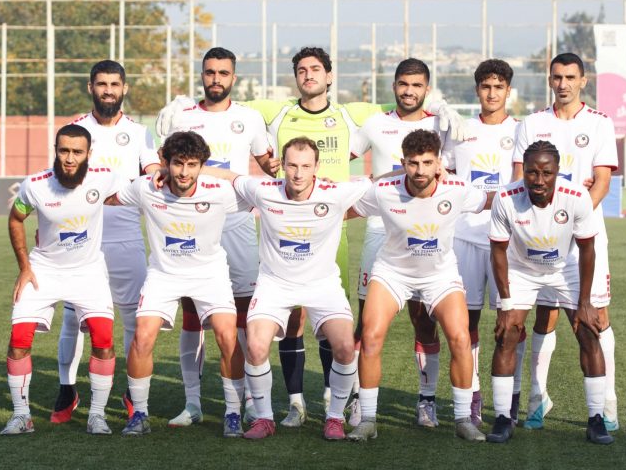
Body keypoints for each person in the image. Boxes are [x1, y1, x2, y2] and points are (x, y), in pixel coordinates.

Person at [156, 46, 468, 427]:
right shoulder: (274, 111)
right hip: (281, 224)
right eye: (302, 70)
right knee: (288, 320)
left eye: (316, 69)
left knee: (344, 324)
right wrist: (185, 103)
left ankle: (338, 401)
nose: (309, 75)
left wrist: (438, 105)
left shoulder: (354, 114)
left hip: (336, 228)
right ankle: (294, 401)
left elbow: (404, 104)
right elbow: (227, 106)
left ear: (329, 76)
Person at [201, 136, 371, 440]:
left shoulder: (336, 193)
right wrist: (177, 169)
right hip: (274, 284)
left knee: (346, 347)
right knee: (255, 346)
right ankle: (264, 419)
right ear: (282, 165)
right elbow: (229, 176)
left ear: (317, 167)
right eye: (292, 165)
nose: (298, 173)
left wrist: (437, 171)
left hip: (322, 284)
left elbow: (378, 181)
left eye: (305, 166)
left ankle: (335, 418)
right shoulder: (265, 190)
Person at [157, 47, 278, 428]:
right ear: (202, 75)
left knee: (243, 314)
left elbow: (269, 164)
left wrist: (285, 166)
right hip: (193, 224)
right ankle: (192, 403)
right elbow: (165, 164)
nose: (216, 79)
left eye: (223, 73)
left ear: (233, 77)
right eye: (210, 72)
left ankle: (246, 400)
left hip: (237, 223)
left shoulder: (249, 118)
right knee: (192, 314)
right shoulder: (183, 116)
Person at [347, 129, 491, 442]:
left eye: (427, 162)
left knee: (460, 337)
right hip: (392, 273)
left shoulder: (457, 188)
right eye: (413, 163)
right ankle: (367, 419)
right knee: (370, 336)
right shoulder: (384, 189)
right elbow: (346, 211)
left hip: (440, 275)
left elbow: (492, 200)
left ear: (439, 163)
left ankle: (463, 420)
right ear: (403, 163)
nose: (420, 170)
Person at [109, 131, 249, 438]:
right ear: (166, 162)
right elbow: (107, 198)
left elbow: (253, 190)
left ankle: (233, 413)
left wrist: (210, 171)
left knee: (228, 336)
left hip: (209, 274)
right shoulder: (146, 188)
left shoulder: (219, 191)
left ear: (202, 165)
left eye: (192, 164)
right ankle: (139, 414)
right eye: (177, 163)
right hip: (164, 275)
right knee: (142, 336)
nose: (184, 172)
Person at [512, 53, 619, 431]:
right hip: (540, 235)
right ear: (549, 80)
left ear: (583, 81)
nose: (563, 84)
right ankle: (537, 397)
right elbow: (519, 178)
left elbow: (602, 182)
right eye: (557, 77)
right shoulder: (532, 123)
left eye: (570, 77)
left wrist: (574, 219)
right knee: (545, 314)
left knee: (595, 316)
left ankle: (607, 402)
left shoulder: (600, 123)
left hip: (584, 235)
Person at [52, 60, 160, 423]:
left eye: (115, 84)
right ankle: (67, 389)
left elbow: (152, 172)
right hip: (82, 238)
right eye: (102, 84)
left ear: (125, 88)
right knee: (73, 319)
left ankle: (131, 390)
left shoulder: (140, 133)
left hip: (126, 236)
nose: (108, 90)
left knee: (132, 319)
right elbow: (60, 177)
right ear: (91, 88)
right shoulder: (75, 130)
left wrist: (158, 174)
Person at [485, 140, 613, 445]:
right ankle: (503, 418)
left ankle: (596, 419)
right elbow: (498, 252)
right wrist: (506, 305)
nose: (539, 180)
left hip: (564, 267)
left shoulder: (577, 197)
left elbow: (587, 250)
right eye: (532, 172)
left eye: (546, 173)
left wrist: (585, 302)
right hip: (521, 268)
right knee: (507, 334)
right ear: (524, 171)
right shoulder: (505, 197)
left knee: (588, 332)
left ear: (557, 172)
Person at [1, 124, 123, 436]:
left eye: (77, 152)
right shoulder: (35, 185)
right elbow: (15, 218)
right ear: (55, 150)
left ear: (88, 154)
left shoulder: (104, 177)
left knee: (104, 339)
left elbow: (139, 191)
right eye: (64, 150)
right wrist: (24, 267)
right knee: (19, 339)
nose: (69, 158)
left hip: (88, 272)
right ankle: (21, 416)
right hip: (44, 270)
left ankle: (97, 415)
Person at [348, 58, 446, 428]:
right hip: (380, 232)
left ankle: (427, 400)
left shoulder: (441, 125)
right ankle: (359, 399)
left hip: (425, 232)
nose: (409, 91)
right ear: (394, 86)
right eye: (403, 84)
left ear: (427, 89)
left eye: (417, 85)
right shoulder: (375, 123)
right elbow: (341, 158)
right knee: (367, 323)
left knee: (424, 320)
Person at [441, 59, 522, 426]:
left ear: (508, 91)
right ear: (477, 90)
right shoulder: (461, 131)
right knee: (466, 322)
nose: (492, 93)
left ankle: (512, 396)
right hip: (465, 237)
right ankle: (472, 394)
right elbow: (444, 175)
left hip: (507, 239)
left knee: (512, 322)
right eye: (486, 87)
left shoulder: (520, 131)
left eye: (499, 87)